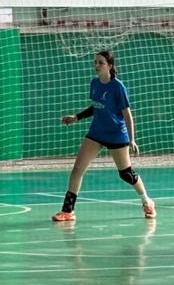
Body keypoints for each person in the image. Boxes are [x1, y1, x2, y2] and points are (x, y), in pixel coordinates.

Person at [52, 50, 156, 223]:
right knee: (77, 169)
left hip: (116, 134)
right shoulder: (94, 83)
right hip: (96, 133)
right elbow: (96, 107)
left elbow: (127, 115)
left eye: (101, 62)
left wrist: (131, 139)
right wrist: (76, 117)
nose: (97, 65)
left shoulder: (118, 87)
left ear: (110, 66)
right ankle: (68, 211)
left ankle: (147, 201)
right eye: (95, 62)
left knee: (126, 174)